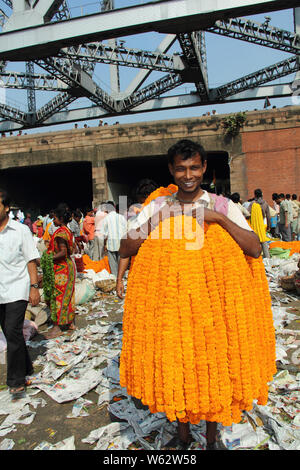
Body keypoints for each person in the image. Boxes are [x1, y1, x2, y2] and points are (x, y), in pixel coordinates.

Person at [119, 139, 273, 451]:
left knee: (215, 370)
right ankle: (184, 435)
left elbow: (255, 248)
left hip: (215, 312)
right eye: (180, 168)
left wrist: (220, 220)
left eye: (193, 167)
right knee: (180, 369)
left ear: (203, 168)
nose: (187, 174)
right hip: (172, 310)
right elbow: (125, 247)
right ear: (171, 170)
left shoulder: (222, 206)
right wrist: (158, 220)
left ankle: (213, 439)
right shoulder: (158, 206)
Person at [0, 189, 40, 400]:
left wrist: (34, 287)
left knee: (12, 330)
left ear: (6, 208)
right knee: (9, 333)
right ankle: (26, 366)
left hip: (17, 288)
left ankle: (16, 381)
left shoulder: (20, 230)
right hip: (0, 290)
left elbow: (30, 259)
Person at [116, 179, 158, 298]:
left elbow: (125, 253)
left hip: (147, 274)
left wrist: (119, 279)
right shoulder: (135, 221)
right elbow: (126, 252)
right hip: (147, 274)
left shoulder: (136, 220)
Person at [41, 206, 76, 339]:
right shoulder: (67, 230)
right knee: (68, 295)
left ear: (61, 218)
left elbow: (63, 252)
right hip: (68, 266)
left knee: (58, 297)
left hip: (62, 268)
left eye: (55, 217)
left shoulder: (61, 233)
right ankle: (70, 322)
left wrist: (47, 258)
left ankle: (58, 327)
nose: (53, 220)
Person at [100, 201, 127, 277]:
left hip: (111, 244)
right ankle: (122, 277)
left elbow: (104, 234)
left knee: (113, 263)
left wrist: (104, 244)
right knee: (121, 261)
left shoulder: (106, 219)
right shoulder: (121, 217)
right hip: (121, 243)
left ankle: (115, 278)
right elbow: (126, 230)